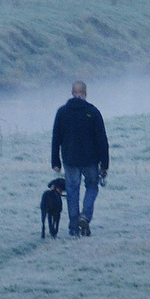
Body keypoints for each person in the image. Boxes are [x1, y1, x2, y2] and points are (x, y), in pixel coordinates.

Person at [51, 81, 109, 236]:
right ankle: (85, 216)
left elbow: (56, 138)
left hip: (70, 160)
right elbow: (102, 139)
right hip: (90, 160)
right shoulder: (93, 112)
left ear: (72, 92)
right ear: (85, 93)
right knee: (92, 187)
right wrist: (104, 163)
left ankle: (73, 227)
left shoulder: (62, 112)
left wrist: (55, 162)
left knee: (72, 191)